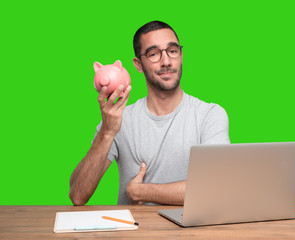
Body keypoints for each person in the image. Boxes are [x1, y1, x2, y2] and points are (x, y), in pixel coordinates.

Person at [69, 21, 230, 206]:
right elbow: (78, 195)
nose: (166, 61)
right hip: (136, 232)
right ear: (138, 64)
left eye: (173, 51)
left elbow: (217, 188)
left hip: (192, 233)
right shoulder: (120, 119)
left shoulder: (209, 115)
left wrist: (142, 192)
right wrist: (107, 132)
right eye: (153, 54)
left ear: (181, 55)